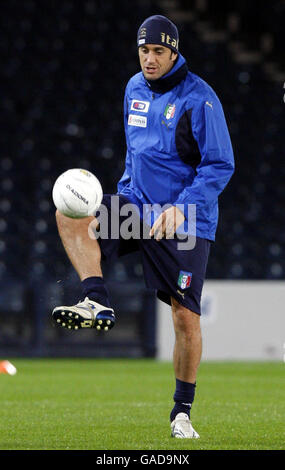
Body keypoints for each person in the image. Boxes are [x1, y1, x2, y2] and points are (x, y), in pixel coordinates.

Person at [52, 15, 234, 438]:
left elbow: (220, 164)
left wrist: (183, 207)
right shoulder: (133, 87)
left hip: (183, 221)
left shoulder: (200, 98)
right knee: (70, 213)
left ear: (173, 52)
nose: (149, 59)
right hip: (136, 208)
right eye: (143, 50)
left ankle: (181, 412)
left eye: (158, 52)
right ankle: (96, 298)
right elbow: (136, 153)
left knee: (185, 317)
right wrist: (118, 196)